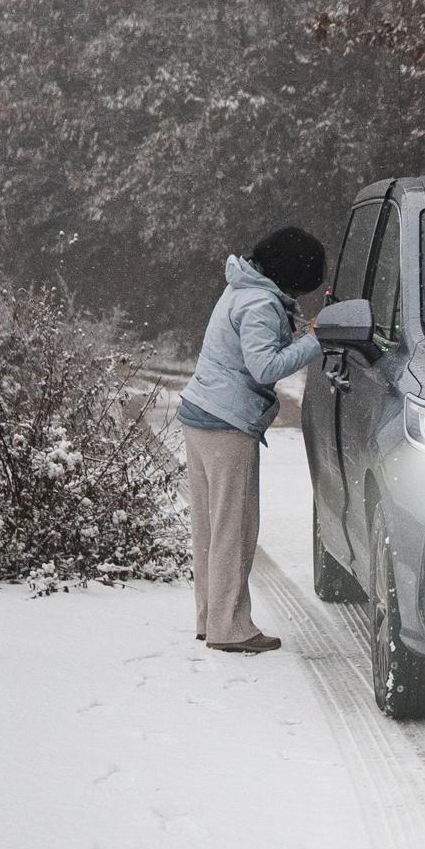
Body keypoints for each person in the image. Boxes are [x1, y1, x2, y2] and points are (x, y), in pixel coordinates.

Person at [178, 225, 327, 651]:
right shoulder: (261, 302)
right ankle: (231, 629)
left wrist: (300, 331)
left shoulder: (243, 289)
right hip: (226, 424)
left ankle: (211, 618)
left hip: (201, 414)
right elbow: (265, 368)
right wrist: (315, 342)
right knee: (235, 530)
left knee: (210, 529)